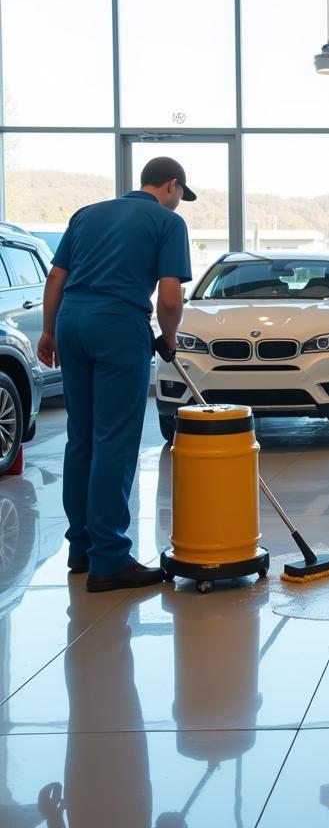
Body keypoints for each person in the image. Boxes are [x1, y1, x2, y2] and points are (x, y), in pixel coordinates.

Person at [39, 157, 194, 593]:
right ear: (172, 186)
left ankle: (82, 549)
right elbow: (168, 298)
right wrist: (170, 337)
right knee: (115, 440)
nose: (179, 203)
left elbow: (56, 277)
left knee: (81, 437)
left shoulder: (87, 214)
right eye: (181, 195)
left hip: (71, 321)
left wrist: (49, 330)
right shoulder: (166, 222)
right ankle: (109, 559)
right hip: (118, 327)